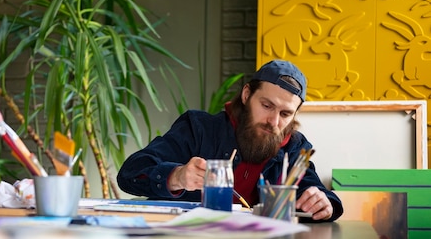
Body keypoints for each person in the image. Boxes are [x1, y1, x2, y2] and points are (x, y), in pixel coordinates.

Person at [116, 59, 343, 222]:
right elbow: (129, 175)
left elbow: (317, 193)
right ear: (246, 95)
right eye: (266, 106)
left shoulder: (294, 148)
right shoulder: (199, 128)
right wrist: (176, 176)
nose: (273, 121)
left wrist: (324, 203)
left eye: (285, 114)